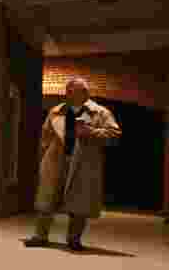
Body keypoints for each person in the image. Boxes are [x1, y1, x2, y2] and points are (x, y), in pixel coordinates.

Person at [25, 77, 121, 251]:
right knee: (46, 197)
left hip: (84, 161)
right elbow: (45, 136)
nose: (67, 94)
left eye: (71, 90)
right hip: (56, 159)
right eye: (67, 90)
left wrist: (91, 132)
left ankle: (74, 239)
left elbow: (114, 135)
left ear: (84, 93)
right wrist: (44, 155)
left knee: (79, 201)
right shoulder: (57, 111)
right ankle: (40, 236)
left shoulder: (100, 113)